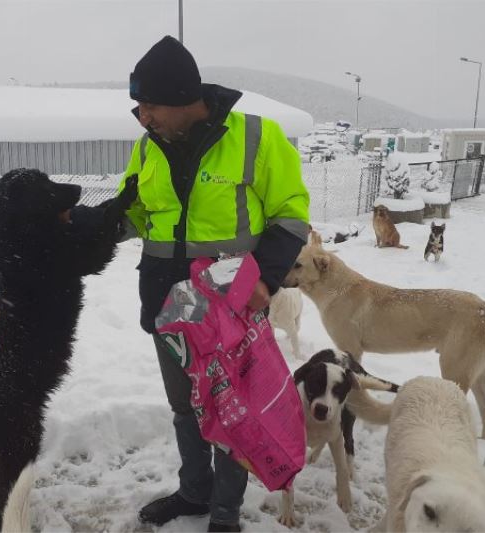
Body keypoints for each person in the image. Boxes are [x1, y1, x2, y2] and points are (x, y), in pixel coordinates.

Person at [72, 35, 309, 532]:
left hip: (231, 300)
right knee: (186, 405)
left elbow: (291, 215)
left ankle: (225, 514)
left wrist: (265, 279)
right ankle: (194, 493)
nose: (143, 117)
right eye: (139, 107)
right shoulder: (148, 146)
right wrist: (81, 231)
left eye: (150, 106)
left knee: (230, 408)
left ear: (184, 99)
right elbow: (133, 210)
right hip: (166, 299)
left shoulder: (257, 138)